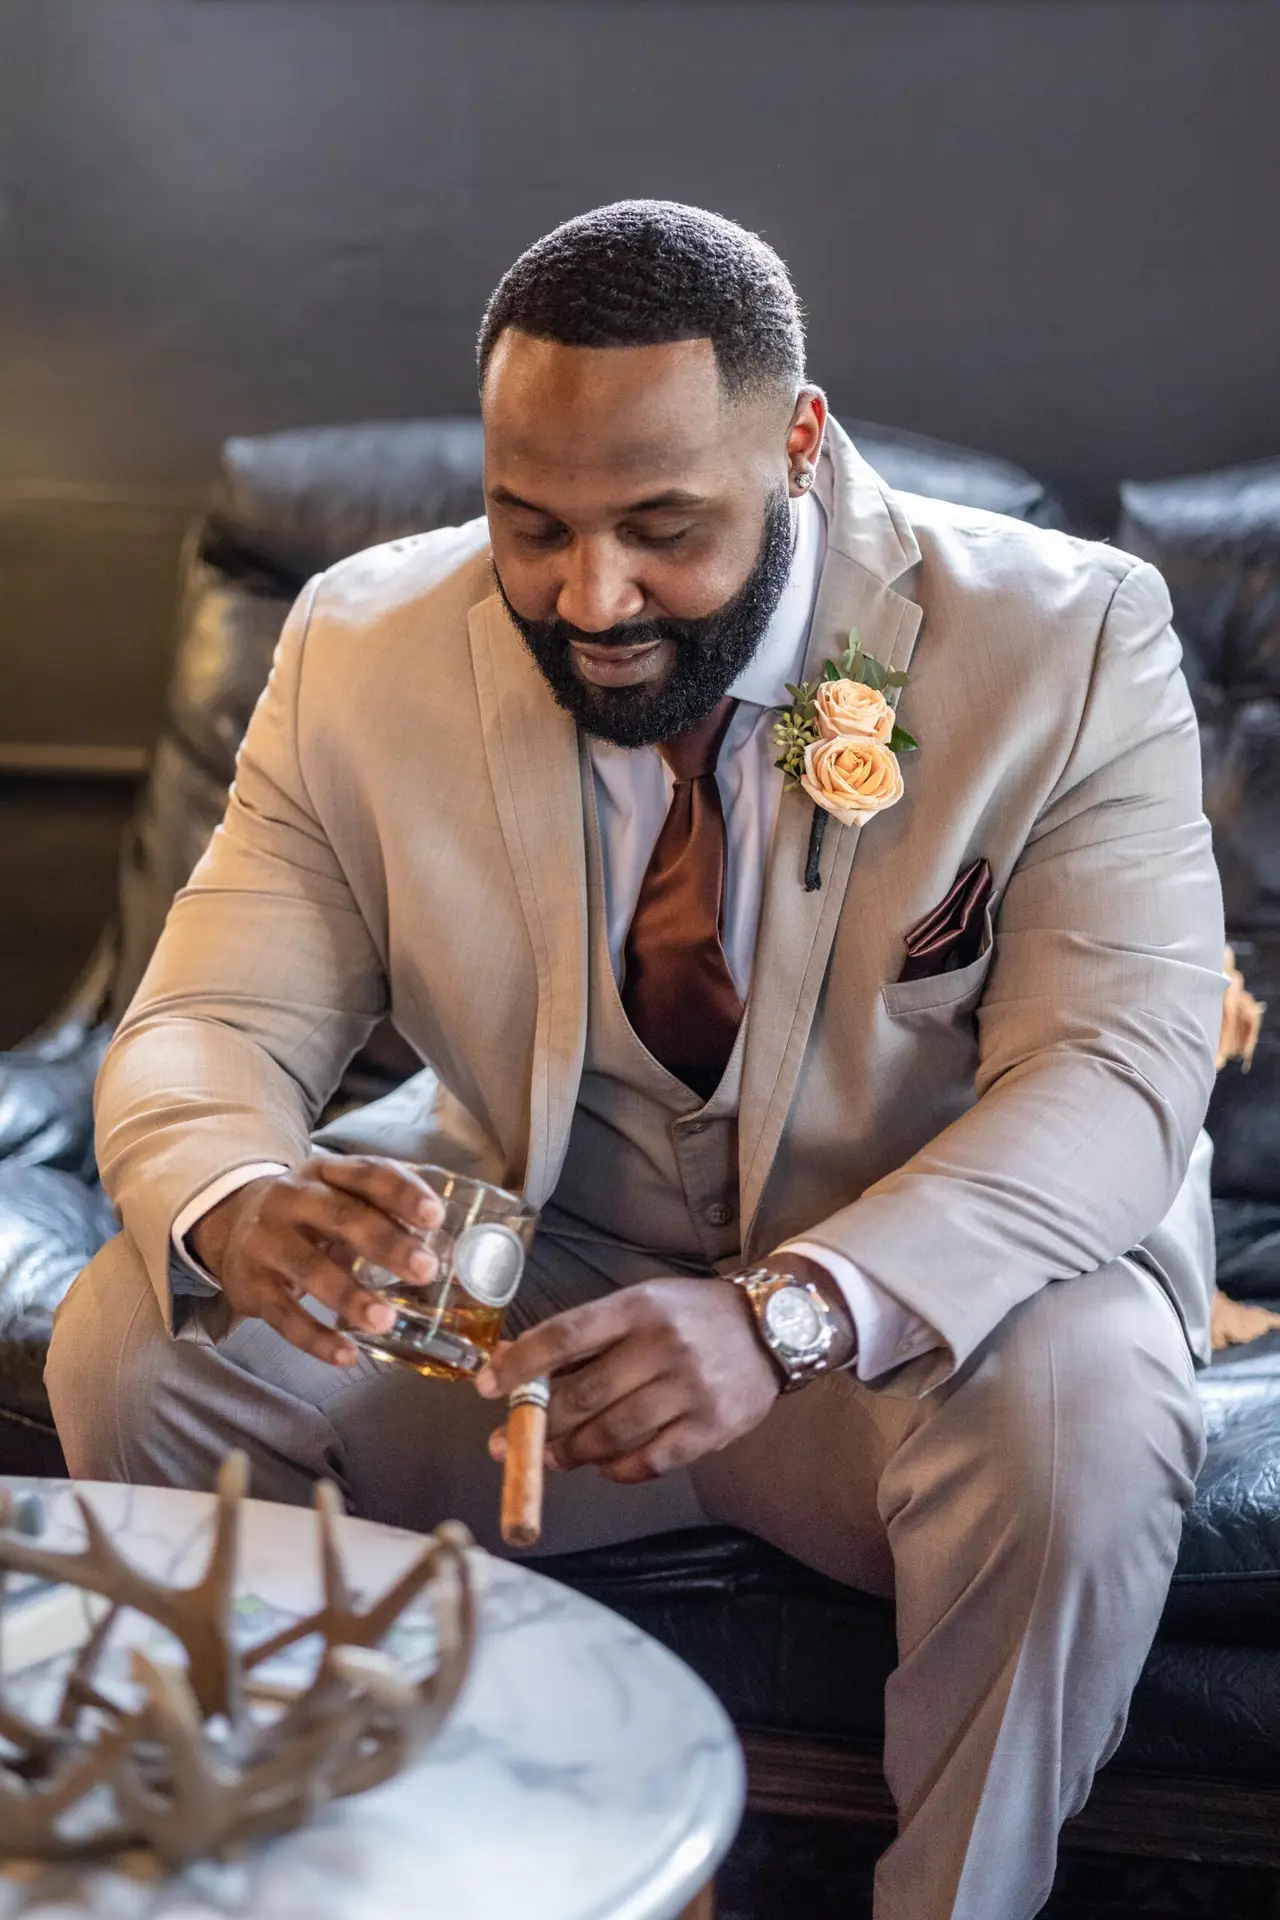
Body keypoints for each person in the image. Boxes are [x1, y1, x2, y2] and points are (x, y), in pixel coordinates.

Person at [48, 202, 1225, 1920]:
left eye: (662, 528)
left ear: (801, 449)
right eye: (533, 525)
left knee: (1092, 1409)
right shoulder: (357, 646)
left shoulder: (1068, 641)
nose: (589, 597)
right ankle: (313, 1868)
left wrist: (788, 1311)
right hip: (543, 1295)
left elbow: (1119, 1080)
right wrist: (235, 1202)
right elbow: (207, 1022)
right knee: (144, 1345)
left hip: (909, 1332)